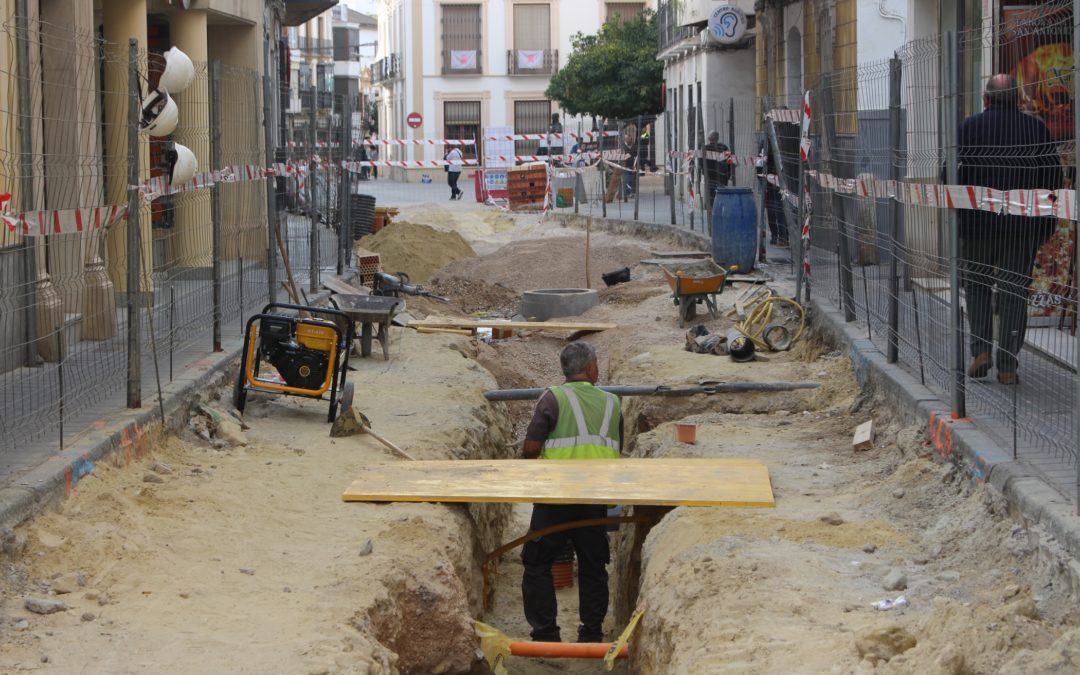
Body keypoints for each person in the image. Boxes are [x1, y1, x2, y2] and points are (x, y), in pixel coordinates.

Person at [957, 73, 1062, 385]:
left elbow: (951, 173)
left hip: (977, 223)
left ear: (985, 99)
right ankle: (1007, 366)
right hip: (1023, 226)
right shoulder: (1036, 129)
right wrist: (1046, 226)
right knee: (1014, 290)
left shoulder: (969, 127)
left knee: (976, 285)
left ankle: (980, 351)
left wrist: (959, 216)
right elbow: (1053, 180)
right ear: (1019, 99)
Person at [520, 342, 622, 644]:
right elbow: (617, 447)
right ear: (589, 369)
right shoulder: (613, 403)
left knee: (537, 563)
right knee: (593, 566)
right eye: (597, 363)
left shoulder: (553, 398)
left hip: (556, 497)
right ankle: (590, 635)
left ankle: (546, 636)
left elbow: (531, 448)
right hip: (595, 498)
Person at [756, 137, 788, 246]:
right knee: (780, 209)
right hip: (780, 181)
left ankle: (777, 236)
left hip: (772, 180)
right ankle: (782, 237)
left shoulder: (765, 141)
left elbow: (759, 163)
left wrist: (762, 179)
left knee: (774, 209)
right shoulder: (782, 138)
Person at [701, 130, 732, 221]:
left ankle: (713, 217)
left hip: (710, 177)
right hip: (722, 177)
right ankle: (722, 215)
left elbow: (701, 163)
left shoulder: (705, 148)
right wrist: (728, 175)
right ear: (717, 138)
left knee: (712, 198)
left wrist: (704, 173)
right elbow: (729, 163)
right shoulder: (724, 147)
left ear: (709, 138)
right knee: (722, 196)